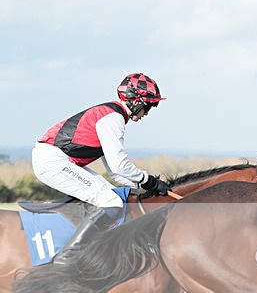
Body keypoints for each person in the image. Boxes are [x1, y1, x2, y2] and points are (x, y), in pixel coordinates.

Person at [32, 72, 171, 264]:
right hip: (53, 161)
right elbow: (119, 165)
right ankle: (69, 256)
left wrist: (148, 187)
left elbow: (115, 172)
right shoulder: (113, 119)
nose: (147, 112)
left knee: (111, 194)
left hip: (59, 160)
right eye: (148, 106)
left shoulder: (113, 115)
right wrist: (149, 181)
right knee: (111, 201)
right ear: (136, 101)